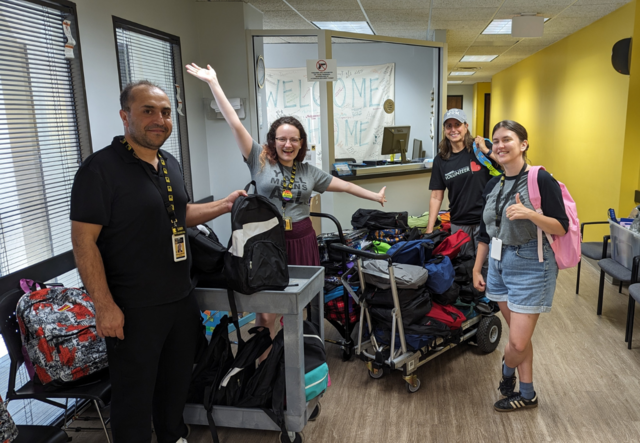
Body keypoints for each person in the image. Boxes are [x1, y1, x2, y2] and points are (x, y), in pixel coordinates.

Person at [70, 80, 246, 443]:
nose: (159, 119)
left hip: (180, 299)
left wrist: (225, 205)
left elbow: (177, 214)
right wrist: (104, 306)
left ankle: (174, 437)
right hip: (132, 307)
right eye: (148, 110)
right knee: (134, 399)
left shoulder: (169, 162)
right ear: (125, 116)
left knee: (175, 386)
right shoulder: (99, 169)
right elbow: (83, 241)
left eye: (165, 112)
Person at [186, 62, 387, 342]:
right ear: (273, 140)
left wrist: (375, 196)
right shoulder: (258, 158)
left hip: (302, 238)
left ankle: (299, 356)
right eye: (282, 139)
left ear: (302, 143)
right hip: (266, 240)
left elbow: (347, 185)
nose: (288, 144)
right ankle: (265, 360)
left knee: (301, 304)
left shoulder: (310, 172)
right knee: (266, 309)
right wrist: (214, 83)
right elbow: (234, 121)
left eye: (294, 139)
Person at [472, 120, 569, 412]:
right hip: (498, 265)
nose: (500, 146)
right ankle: (527, 395)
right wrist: (478, 269)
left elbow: (561, 227)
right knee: (519, 335)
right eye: (495, 140)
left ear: (523, 144)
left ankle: (507, 370)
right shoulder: (493, 183)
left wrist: (530, 213)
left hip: (531, 265)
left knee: (515, 343)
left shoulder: (540, 180)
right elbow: (484, 232)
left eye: (507, 139)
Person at [426, 108, 500, 257]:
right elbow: (436, 196)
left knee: (488, 267)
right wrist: (429, 230)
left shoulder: (480, 148)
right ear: (445, 129)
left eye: (457, 124)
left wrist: (487, 150)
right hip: (459, 223)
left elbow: (508, 165)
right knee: (463, 267)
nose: (453, 129)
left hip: (486, 220)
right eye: (449, 126)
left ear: (466, 126)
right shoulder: (441, 160)